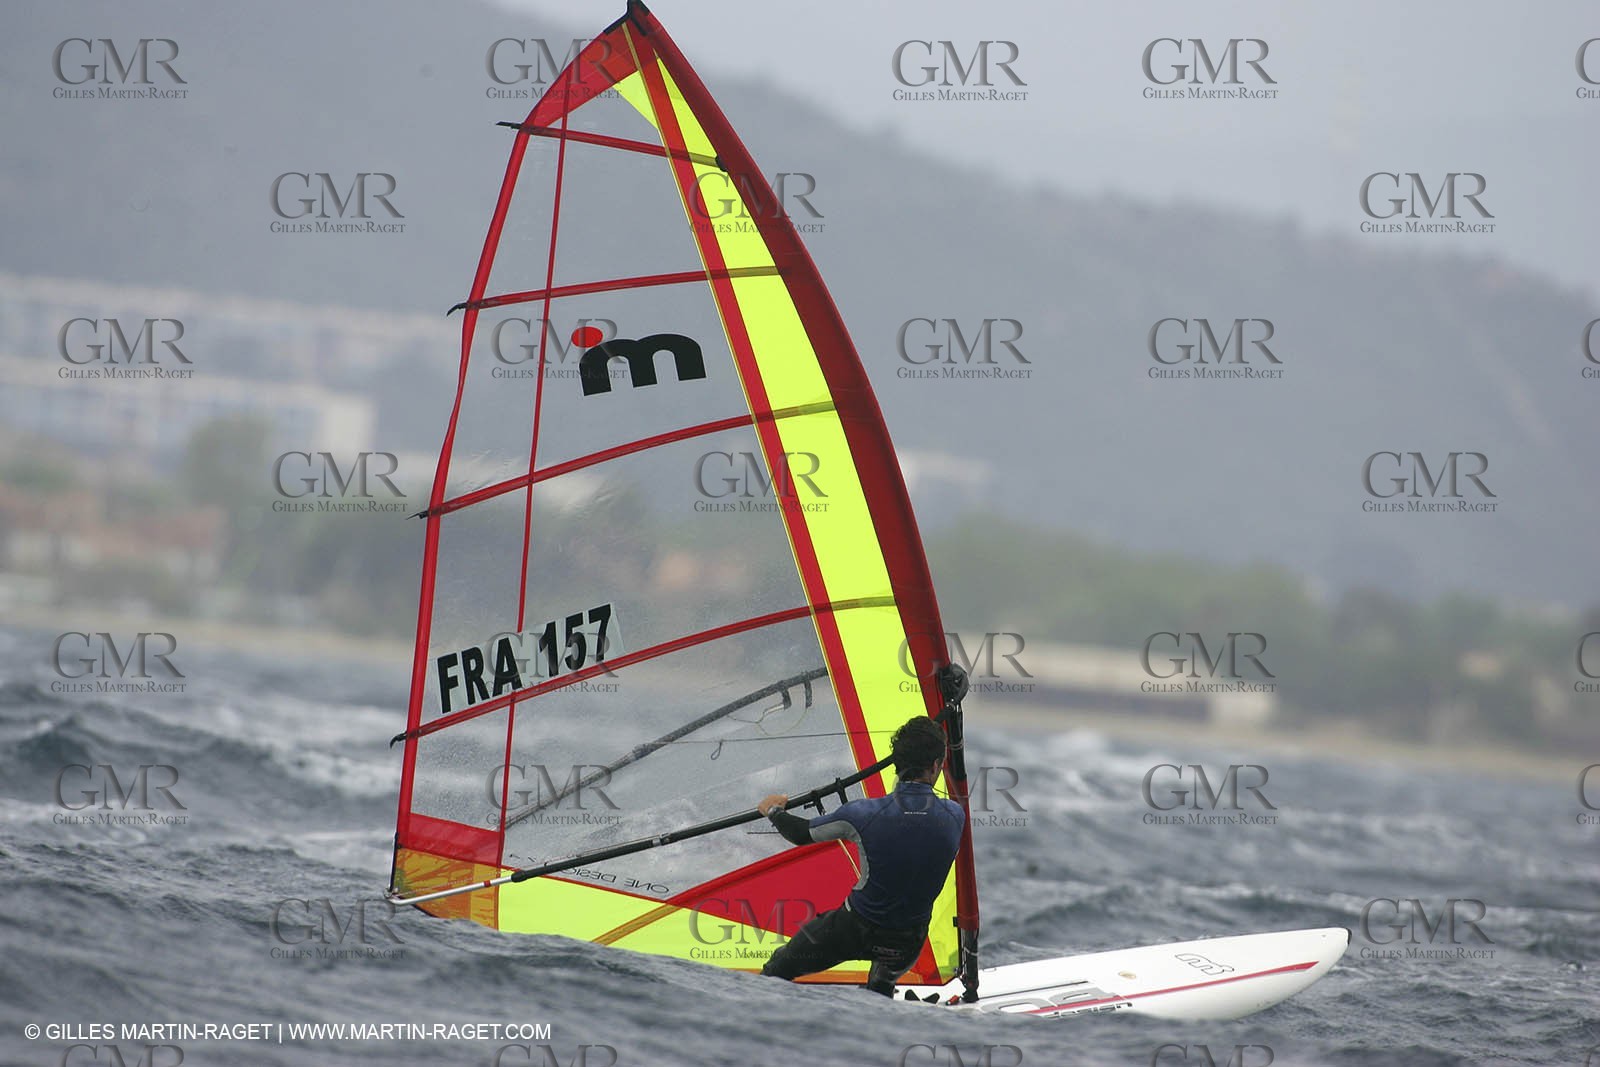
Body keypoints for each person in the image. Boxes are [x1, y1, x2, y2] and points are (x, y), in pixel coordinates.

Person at [755, 715, 965, 995]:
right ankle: (880, 990)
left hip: (851, 930)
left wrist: (774, 811)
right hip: (906, 944)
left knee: (777, 970)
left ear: (896, 764)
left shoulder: (862, 814)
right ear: (937, 766)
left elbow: (801, 834)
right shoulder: (956, 816)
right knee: (880, 986)